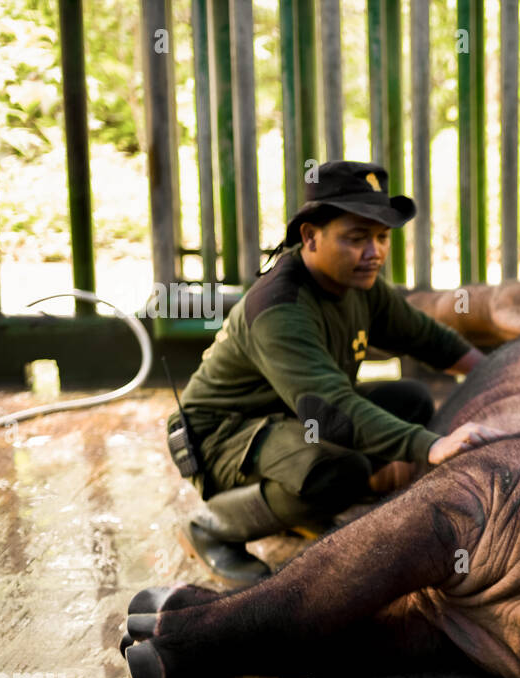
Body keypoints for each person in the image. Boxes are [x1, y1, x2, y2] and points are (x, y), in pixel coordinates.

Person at [167, 159, 502, 584]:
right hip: (223, 434)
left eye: (382, 238)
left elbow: (428, 339)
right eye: (356, 238)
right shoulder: (279, 307)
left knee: (411, 401)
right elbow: (330, 411)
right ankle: (213, 528)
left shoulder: (358, 284)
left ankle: (295, 507)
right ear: (310, 237)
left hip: (292, 419)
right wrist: (430, 446)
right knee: (337, 472)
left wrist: (499, 371)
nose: (374, 252)